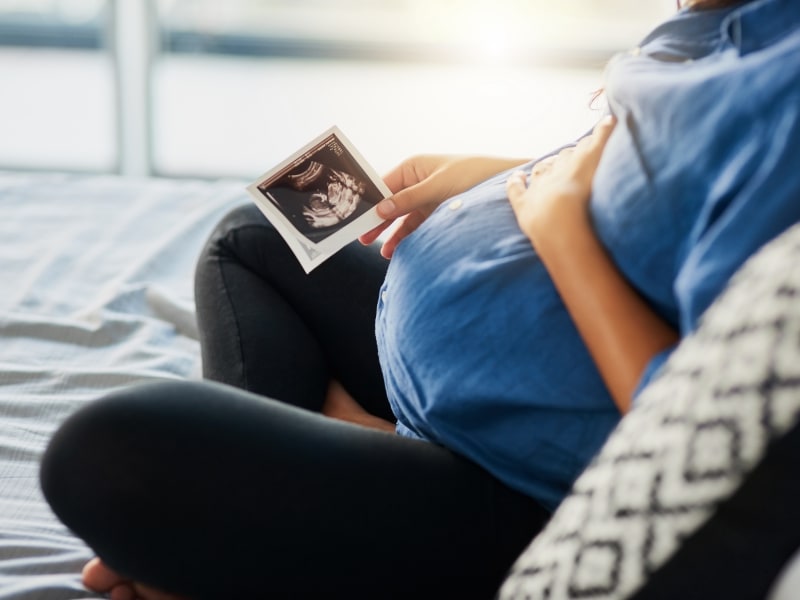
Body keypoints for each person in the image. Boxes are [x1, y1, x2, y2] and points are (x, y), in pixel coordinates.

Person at [39, 0, 800, 598]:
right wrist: (503, 173)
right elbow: (662, 181)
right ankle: (313, 480)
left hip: (519, 486)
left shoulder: (785, 94)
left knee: (108, 453)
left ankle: (271, 521)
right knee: (251, 238)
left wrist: (560, 224)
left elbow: (701, 438)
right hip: (458, 386)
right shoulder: (727, 19)